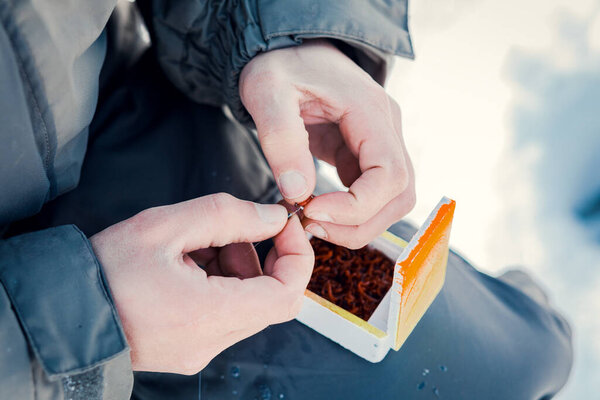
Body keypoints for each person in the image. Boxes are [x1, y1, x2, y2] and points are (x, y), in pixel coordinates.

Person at [0, 1, 572, 399]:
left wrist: (278, 34)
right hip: (35, 342)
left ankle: (541, 323)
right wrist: (76, 323)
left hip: (119, 119)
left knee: (511, 359)